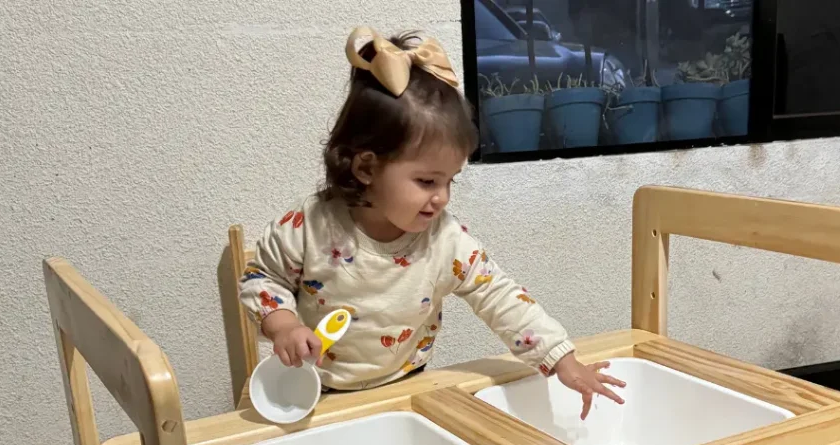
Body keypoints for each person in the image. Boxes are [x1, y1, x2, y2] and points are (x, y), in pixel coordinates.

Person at [239, 26, 625, 419]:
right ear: (367, 166)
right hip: (317, 394)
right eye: (426, 181)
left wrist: (562, 359)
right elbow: (261, 276)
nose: (442, 197)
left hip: (408, 392)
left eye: (449, 180)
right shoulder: (312, 224)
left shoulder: (445, 239)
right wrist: (283, 326)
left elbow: (500, 295)